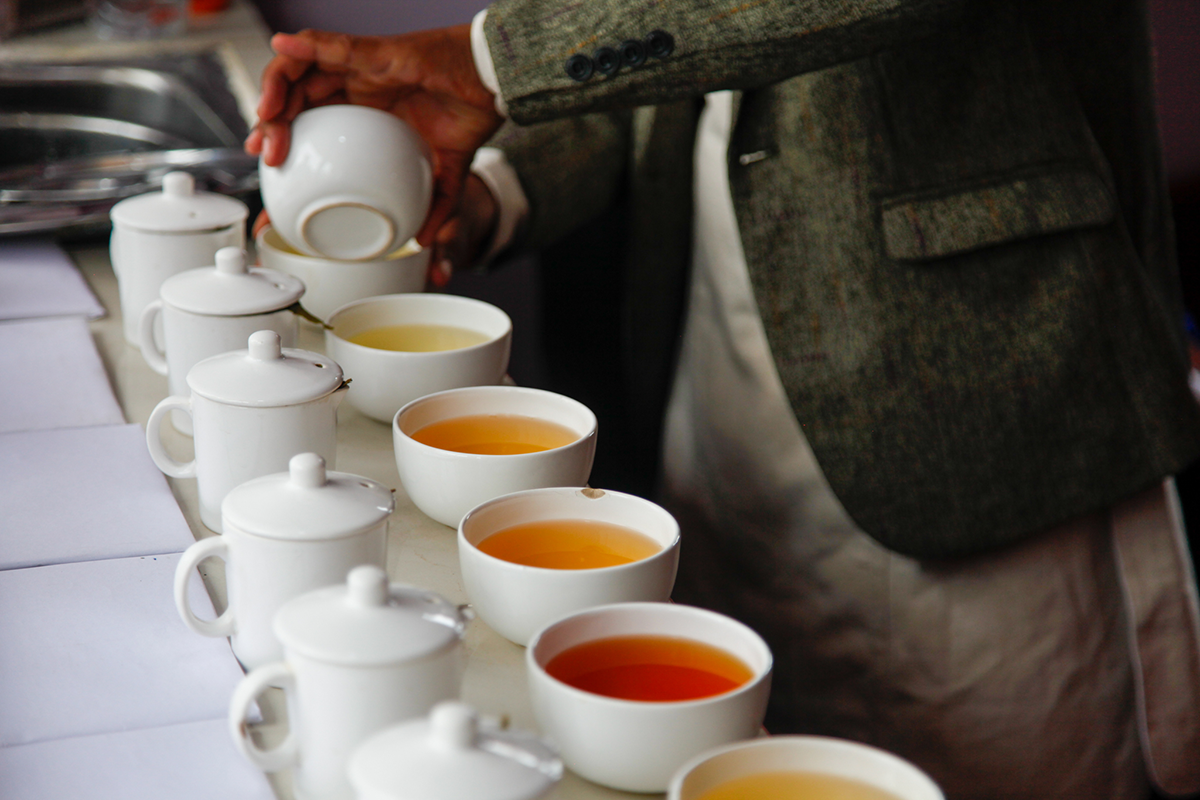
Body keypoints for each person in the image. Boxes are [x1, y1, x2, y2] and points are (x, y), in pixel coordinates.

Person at [247, 2, 1200, 797]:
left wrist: (496, 61)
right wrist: (485, 184)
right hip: (722, 399)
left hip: (981, 391)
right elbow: (663, 54)